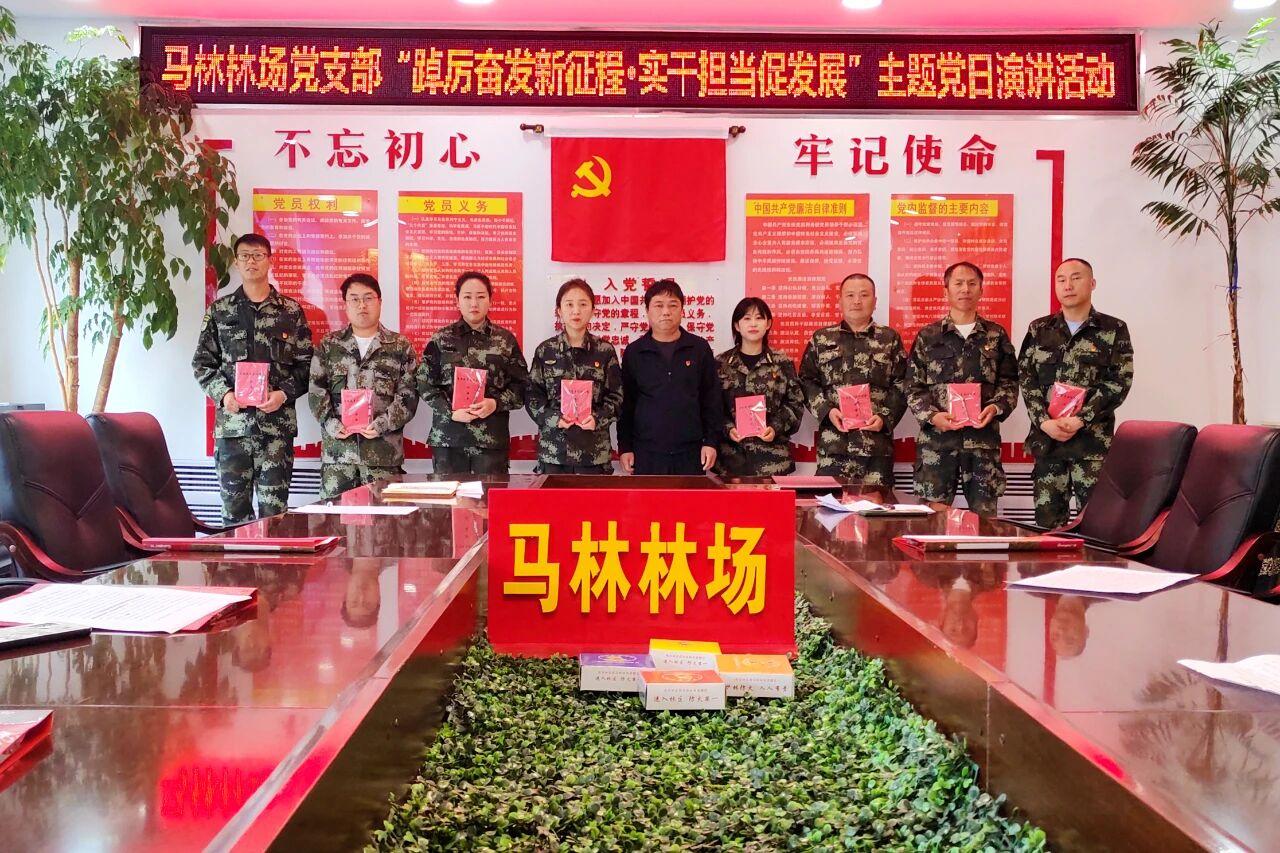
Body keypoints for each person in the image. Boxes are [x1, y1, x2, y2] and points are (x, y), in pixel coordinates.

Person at [192, 234, 313, 524]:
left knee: (275, 516)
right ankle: (237, 557)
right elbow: (202, 363)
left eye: (258, 255)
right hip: (233, 430)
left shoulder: (291, 311)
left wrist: (283, 394)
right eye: (245, 256)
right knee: (234, 515)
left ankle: (275, 557)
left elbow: (307, 365)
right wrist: (225, 395)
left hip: (276, 431)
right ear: (236, 262)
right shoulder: (220, 311)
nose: (251, 261)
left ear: (270, 261)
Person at [1018, 258, 1134, 528]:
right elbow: (1026, 378)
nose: (1068, 285)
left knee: (1095, 525)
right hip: (1048, 443)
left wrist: (1082, 419)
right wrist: (1043, 421)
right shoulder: (1039, 329)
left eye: (1076, 278)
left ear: (1092, 283)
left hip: (1091, 445)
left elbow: (1119, 381)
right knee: (1047, 527)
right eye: (1061, 280)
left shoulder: (1113, 329)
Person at [906, 261, 1019, 517]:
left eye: (972, 283)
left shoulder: (995, 335)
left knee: (985, 521)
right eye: (958, 283)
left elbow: (1010, 381)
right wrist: (932, 416)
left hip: (982, 444)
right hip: (937, 444)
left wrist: (996, 407)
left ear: (981, 290)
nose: (965, 289)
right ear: (946, 291)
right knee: (932, 520)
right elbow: (913, 386)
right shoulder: (928, 336)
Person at [308, 273, 419, 500]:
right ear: (345, 304)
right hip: (339, 457)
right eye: (355, 299)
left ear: (379, 302)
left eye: (368, 298)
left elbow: (409, 395)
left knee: (384, 520)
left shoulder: (400, 346)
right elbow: (316, 391)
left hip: (383, 455)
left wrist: (382, 424)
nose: (362, 305)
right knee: (337, 519)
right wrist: (331, 424)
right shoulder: (330, 345)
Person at [416, 271, 528, 475]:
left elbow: (522, 386)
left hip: (491, 443)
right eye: (467, 297)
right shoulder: (441, 339)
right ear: (457, 301)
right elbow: (424, 383)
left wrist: (495, 403)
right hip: (449, 440)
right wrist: (449, 411)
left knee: (488, 496)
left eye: (481, 296)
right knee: (449, 496)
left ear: (490, 300)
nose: (474, 303)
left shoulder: (505, 340)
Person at [799, 273, 907, 485]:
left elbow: (903, 384)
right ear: (839, 301)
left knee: (876, 505)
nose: (857, 301)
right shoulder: (822, 339)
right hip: (834, 446)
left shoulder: (889, 339)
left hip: (876, 449)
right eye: (850, 295)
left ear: (874, 301)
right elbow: (806, 381)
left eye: (864, 295)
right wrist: (827, 411)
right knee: (831, 505)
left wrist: (884, 417)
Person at [618, 279, 723, 475]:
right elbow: (627, 404)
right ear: (647, 310)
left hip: (691, 452)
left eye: (672, 305)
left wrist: (711, 442)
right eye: (659, 305)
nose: (666, 312)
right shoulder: (635, 352)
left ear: (682, 310)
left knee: (689, 497)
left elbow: (711, 399)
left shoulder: (699, 348)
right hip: (647, 452)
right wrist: (625, 447)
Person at [525, 279, 624, 474]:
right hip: (554, 453)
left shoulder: (604, 351)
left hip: (594, 455)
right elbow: (532, 395)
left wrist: (597, 418)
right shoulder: (545, 351)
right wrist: (555, 418)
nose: (576, 311)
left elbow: (617, 396)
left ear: (593, 310)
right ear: (559, 311)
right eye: (569, 304)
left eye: (583, 304)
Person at [713, 297, 804, 477]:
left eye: (759, 318)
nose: (753, 324)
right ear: (737, 325)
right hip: (730, 460)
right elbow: (712, 406)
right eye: (747, 318)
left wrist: (775, 427)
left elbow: (796, 403)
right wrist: (728, 428)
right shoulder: (721, 363)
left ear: (768, 323)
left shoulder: (781, 362)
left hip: (773, 460)